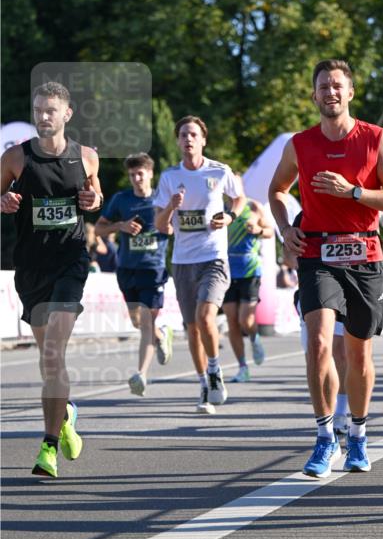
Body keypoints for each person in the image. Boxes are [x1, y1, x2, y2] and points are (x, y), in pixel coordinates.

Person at [269, 58, 383, 477]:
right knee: (320, 344)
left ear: (350, 93)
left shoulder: (375, 139)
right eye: (323, 86)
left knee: (359, 355)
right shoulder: (299, 143)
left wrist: (355, 192)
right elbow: (276, 190)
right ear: (314, 95)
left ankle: (359, 436)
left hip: (363, 254)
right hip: (316, 254)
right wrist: (283, 229)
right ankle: (325, 437)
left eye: (337, 86)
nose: (330, 92)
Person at [0, 81, 103, 478]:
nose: (43, 116)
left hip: (71, 262)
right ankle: (65, 415)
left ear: (66, 115)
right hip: (31, 268)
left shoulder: (87, 157)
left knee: (53, 351)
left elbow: (96, 196)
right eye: (38, 110)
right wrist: (3, 202)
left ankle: (47, 448)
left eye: (50, 111)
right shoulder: (15, 158)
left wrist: (93, 201)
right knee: (49, 361)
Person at [154, 116, 245, 414]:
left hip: (213, 258)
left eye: (193, 134)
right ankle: (203, 383)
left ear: (203, 140)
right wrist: (171, 206)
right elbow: (160, 225)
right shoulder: (169, 177)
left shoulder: (219, 171)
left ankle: (215, 370)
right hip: (182, 261)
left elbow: (240, 196)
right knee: (192, 328)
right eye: (183, 135)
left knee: (206, 317)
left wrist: (230, 216)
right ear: (177, 141)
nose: (188, 139)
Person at [95, 152, 173, 396]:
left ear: (150, 173)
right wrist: (120, 226)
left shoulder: (163, 198)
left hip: (153, 268)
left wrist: (167, 225)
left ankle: (141, 374)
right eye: (132, 175)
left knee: (146, 322)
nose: (136, 178)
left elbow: (172, 229)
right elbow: (98, 228)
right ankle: (163, 335)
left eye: (140, 173)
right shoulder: (121, 199)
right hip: (127, 268)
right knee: (137, 321)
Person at [222, 197, 274, 382]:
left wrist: (258, 230)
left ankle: (254, 337)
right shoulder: (218, 206)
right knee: (232, 320)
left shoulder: (253, 206)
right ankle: (242, 367)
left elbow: (270, 231)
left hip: (249, 269)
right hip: (226, 269)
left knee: (246, 319)